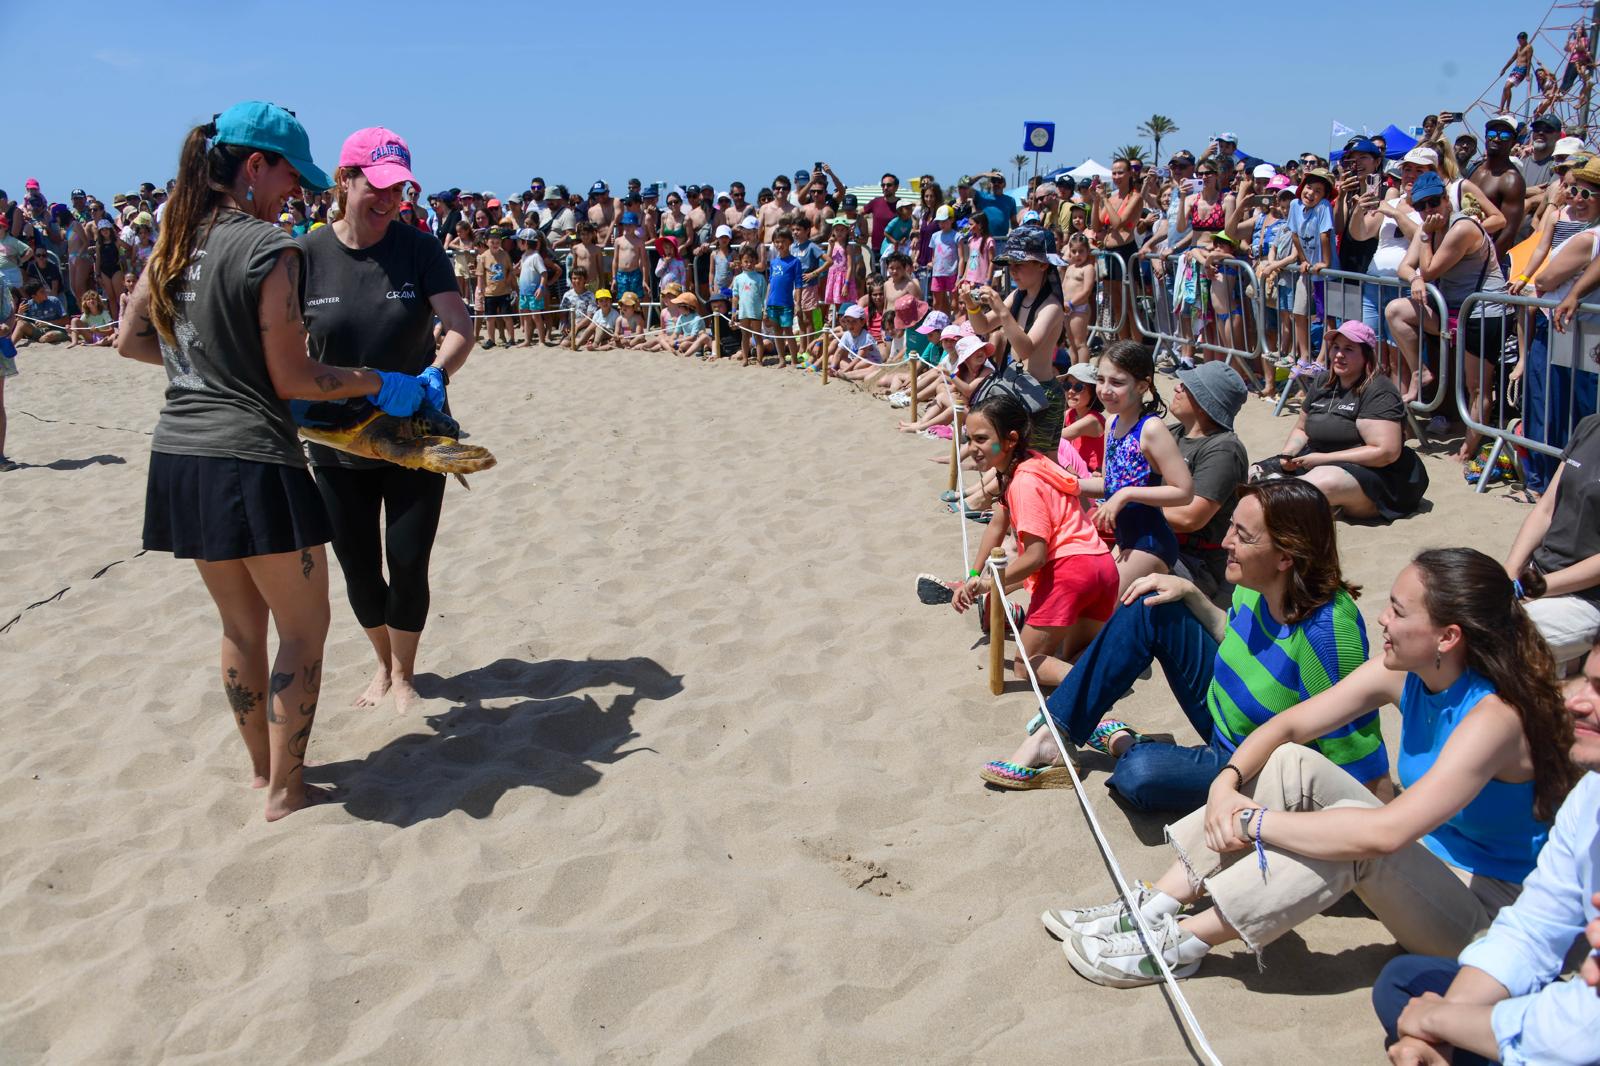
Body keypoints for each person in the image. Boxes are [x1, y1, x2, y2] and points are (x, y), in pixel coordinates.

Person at [1055, 547, 1577, 988]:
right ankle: (1156, 906)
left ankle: (1182, 944)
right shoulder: (1410, 675)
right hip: (1427, 869)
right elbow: (1287, 728)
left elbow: (1387, 831)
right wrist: (1226, 783)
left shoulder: (1494, 718)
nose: (1382, 620)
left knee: (1359, 836)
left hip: (1487, 919)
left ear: (1448, 637)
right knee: (1290, 763)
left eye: (1398, 611)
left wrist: (1251, 822)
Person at [116, 102, 431, 821]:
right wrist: (377, 381)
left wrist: (212, 364)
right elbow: (294, 378)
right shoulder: (267, 246)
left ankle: (262, 773)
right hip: (251, 457)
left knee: (239, 627)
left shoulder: (174, 236)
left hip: (179, 453)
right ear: (254, 165)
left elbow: (132, 341)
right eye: (291, 173)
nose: (296, 190)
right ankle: (289, 790)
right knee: (304, 628)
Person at [981, 479, 1386, 811]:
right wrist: (1191, 593)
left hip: (1253, 763)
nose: (1226, 541)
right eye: (1231, 526)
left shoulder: (1327, 633)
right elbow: (1236, 637)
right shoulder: (1255, 585)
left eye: (1242, 535)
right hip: (1220, 710)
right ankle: (1057, 734)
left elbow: (1356, 753)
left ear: (1286, 556)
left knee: (1139, 774)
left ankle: (1121, 740)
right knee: (1151, 603)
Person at [298, 127, 474, 714]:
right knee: (357, 563)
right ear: (343, 181)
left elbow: (459, 325)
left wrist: (436, 375)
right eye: (374, 186)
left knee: (407, 557)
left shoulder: (419, 249)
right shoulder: (305, 255)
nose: (388, 200)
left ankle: (404, 673)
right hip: (336, 441)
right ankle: (379, 663)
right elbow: (282, 346)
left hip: (412, 436)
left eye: (398, 189)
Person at [1372, 642, 1600, 1066]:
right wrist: (1437, 1027)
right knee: (1405, 984)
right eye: (1587, 680)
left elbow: (1583, 1029)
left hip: (1580, 1029)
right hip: (1568, 1009)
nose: (1579, 701)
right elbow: (1531, 932)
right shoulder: (1589, 795)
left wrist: (1443, 1024)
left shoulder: (1494, 716)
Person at [951, 393, 1118, 686]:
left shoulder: (1024, 482)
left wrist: (992, 583)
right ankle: (1097, 679)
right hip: (1101, 566)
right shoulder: (1032, 462)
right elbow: (997, 525)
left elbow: (1035, 556)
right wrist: (974, 574)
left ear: (1010, 439)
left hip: (1071, 572)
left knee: (1024, 666)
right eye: (968, 439)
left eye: (980, 439)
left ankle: (1097, 688)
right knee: (1074, 655)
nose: (972, 448)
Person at [1256, 320, 1430, 521]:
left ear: (1366, 355)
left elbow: (1386, 453)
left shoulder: (1379, 391)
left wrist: (1322, 459)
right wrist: (1288, 455)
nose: (1339, 354)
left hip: (1375, 473)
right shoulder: (1322, 382)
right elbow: (1302, 428)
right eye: (1336, 347)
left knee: (1322, 482)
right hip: (1318, 459)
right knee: (1257, 471)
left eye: (1349, 349)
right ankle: (1313, 504)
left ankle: (1302, 503)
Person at [1076, 341, 1194, 590]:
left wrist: (1125, 495)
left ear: (1142, 386)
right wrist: (1071, 485)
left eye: (1117, 383)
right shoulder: (1112, 424)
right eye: (1100, 380)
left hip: (1151, 543)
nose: (1105, 390)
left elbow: (1184, 492)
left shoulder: (1151, 429)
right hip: (1125, 540)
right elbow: (1109, 484)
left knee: (1101, 607)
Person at [1502, 412, 1600, 672]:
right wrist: (1509, 576)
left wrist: (1534, 588)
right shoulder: (1590, 424)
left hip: (1587, 598)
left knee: (1499, 642)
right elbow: (1546, 509)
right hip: (1539, 575)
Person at [964, 227, 1067, 454]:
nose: (1013, 271)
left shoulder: (1051, 306)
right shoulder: (1018, 296)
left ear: (1042, 265)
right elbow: (982, 326)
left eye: (1019, 264)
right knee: (1022, 458)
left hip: (1043, 395)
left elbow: (1026, 348)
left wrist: (1002, 310)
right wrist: (971, 307)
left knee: (1040, 462)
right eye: (1010, 265)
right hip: (1021, 389)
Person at [1499, 32, 1536, 113]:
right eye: (1518, 40)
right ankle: (1501, 108)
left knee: (1507, 87)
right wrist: (1504, 69)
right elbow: (1512, 59)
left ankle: (1507, 107)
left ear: (1525, 39)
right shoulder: (1518, 48)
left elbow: (1529, 61)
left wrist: (1527, 74)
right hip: (1515, 69)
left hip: (1522, 69)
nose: (1519, 42)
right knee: (1505, 88)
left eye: (1521, 40)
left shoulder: (1529, 47)